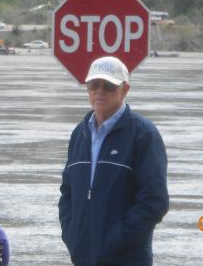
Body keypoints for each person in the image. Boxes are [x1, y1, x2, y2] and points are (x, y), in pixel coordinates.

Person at [59, 56, 169, 266]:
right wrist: (72, 236)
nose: (99, 91)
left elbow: (155, 201)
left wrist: (118, 240)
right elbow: (67, 192)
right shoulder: (79, 134)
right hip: (83, 257)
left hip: (127, 258)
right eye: (93, 85)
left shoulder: (143, 134)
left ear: (124, 89)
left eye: (108, 86)